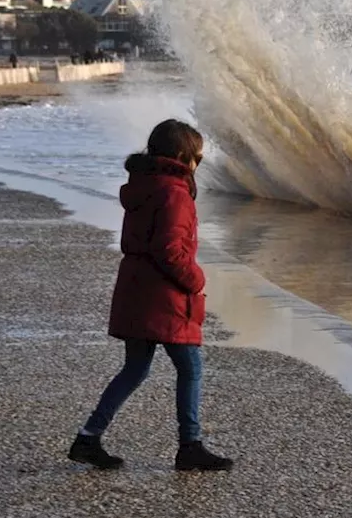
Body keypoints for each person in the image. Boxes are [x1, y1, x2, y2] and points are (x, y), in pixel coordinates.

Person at [69, 119, 233, 472]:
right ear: (180, 156)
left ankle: (88, 438)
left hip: (136, 287)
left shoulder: (143, 186)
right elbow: (170, 249)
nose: (197, 166)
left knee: (135, 369)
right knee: (190, 369)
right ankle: (189, 446)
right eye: (198, 159)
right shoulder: (174, 193)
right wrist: (195, 279)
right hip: (164, 294)